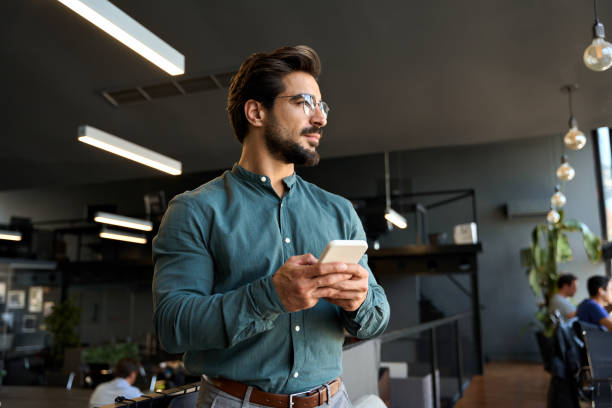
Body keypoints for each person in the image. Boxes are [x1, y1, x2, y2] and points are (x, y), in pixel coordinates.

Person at [152, 45, 390, 408]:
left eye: (322, 106)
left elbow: (376, 318)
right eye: (304, 102)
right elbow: (172, 326)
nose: (320, 118)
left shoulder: (339, 211)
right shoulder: (194, 210)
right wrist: (269, 297)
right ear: (256, 111)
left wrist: (360, 302)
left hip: (333, 400)